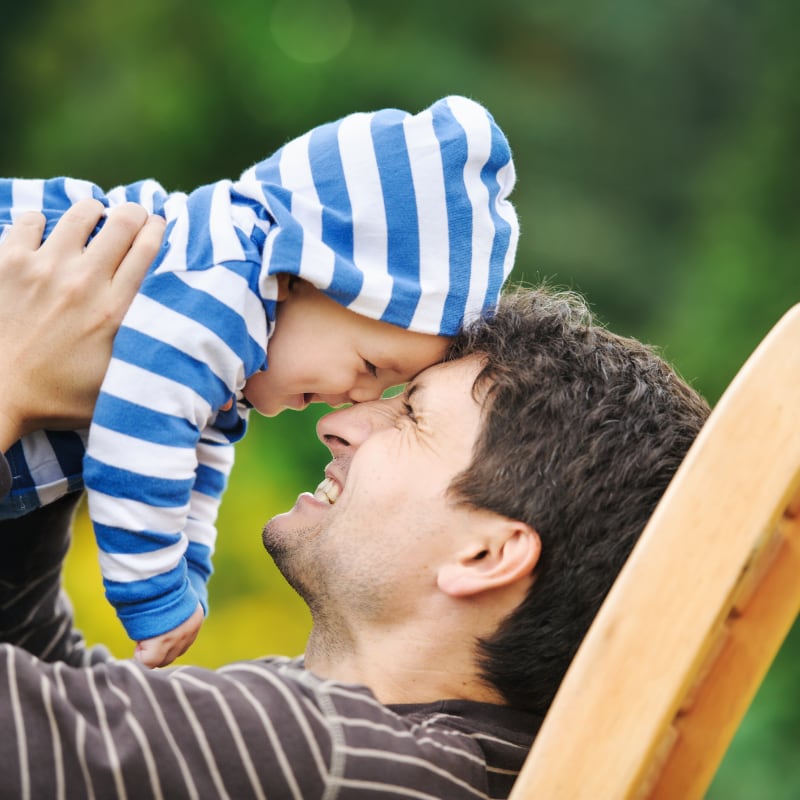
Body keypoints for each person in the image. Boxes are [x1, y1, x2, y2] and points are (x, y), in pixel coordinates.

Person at [0, 207, 710, 799]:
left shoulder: (335, 761)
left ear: (488, 554)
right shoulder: (425, 762)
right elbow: (54, 691)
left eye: (411, 417)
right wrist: (71, 415)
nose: (337, 422)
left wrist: (12, 378)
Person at [0, 95, 519, 668]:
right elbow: (138, 443)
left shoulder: (230, 352)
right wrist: (154, 596)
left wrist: (189, 576)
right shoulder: (217, 287)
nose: (362, 398)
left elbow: (192, 464)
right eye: (371, 366)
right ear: (302, 274)